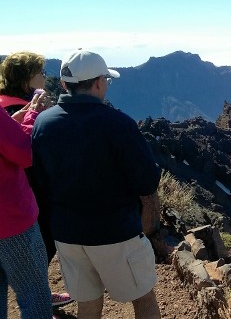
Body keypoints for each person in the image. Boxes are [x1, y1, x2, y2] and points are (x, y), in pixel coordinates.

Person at [30, 49, 162, 319]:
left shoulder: (43, 123)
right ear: (99, 83)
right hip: (116, 233)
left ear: (65, 84)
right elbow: (146, 181)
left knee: (87, 305)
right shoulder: (119, 125)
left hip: (67, 235)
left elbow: (39, 181)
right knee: (143, 299)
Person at [0, 51, 73, 309]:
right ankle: (43, 302)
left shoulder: (6, 106)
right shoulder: (10, 107)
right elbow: (24, 151)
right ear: (26, 79)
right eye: (39, 72)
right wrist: (34, 116)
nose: (44, 76)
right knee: (32, 291)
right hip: (15, 209)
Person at [0, 88, 52, 318]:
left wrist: (11, 123)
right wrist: (33, 114)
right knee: (34, 297)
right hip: (11, 221)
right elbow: (24, 153)